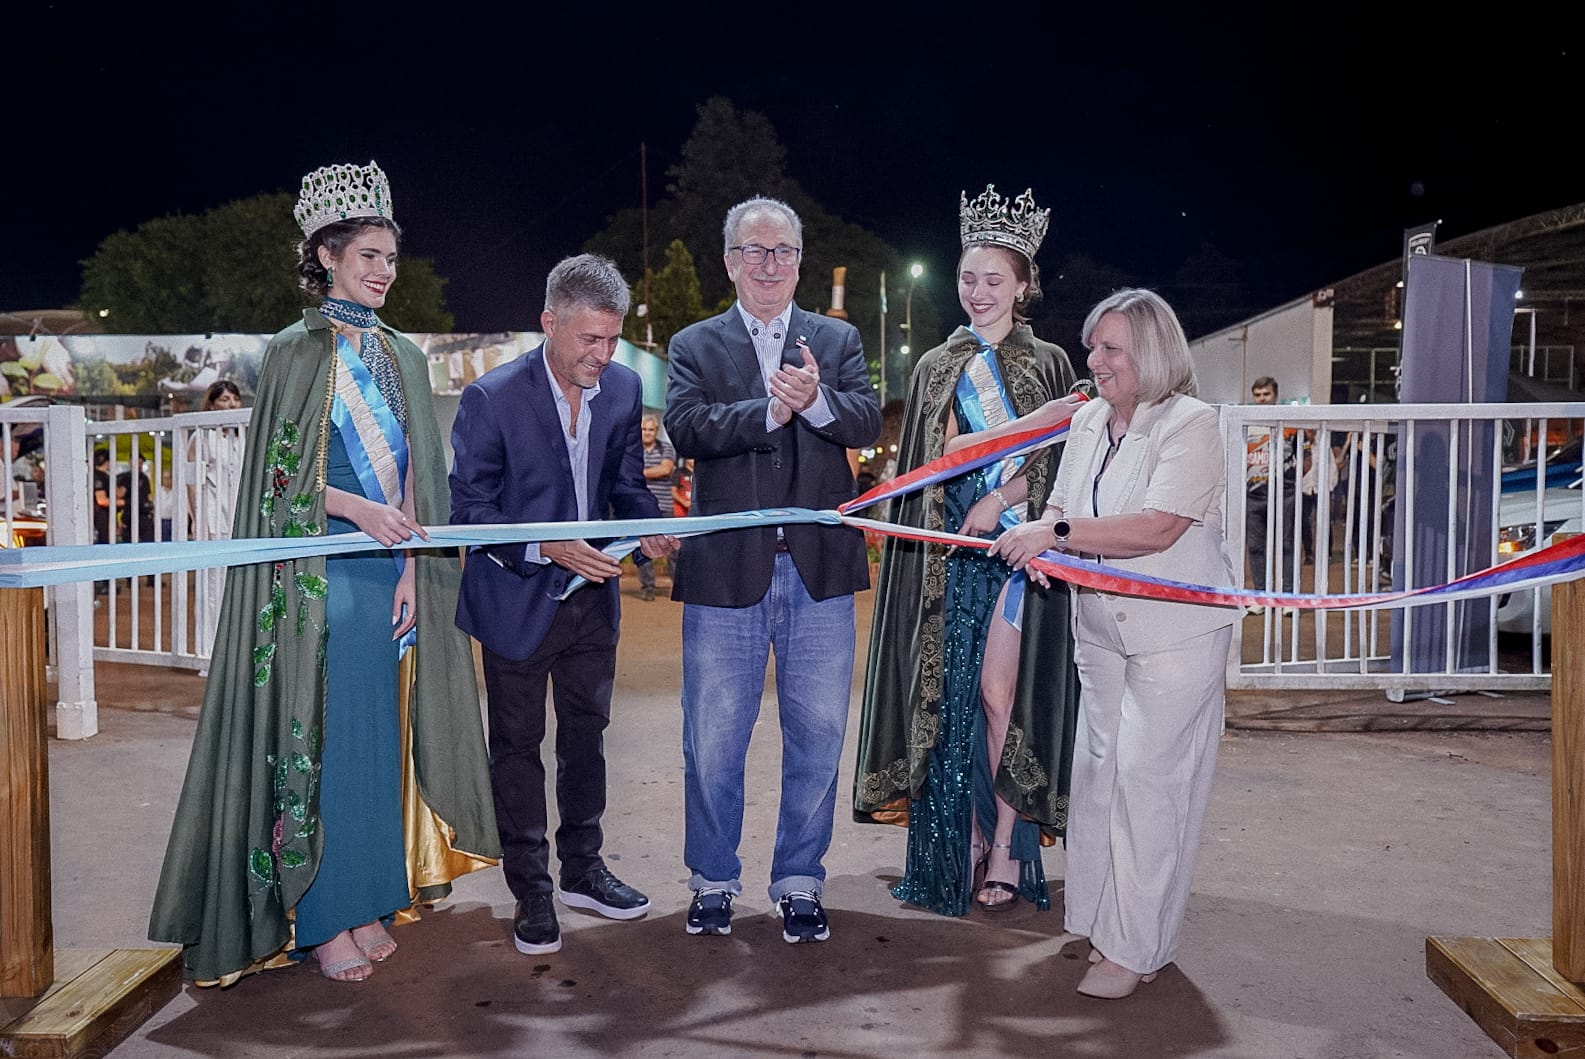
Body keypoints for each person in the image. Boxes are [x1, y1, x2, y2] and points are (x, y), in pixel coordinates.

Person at [150, 160, 498, 985]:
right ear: (327, 256)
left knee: (378, 740)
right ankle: (324, 915)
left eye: (390, 257)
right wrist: (358, 511)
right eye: (367, 255)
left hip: (387, 574)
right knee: (328, 742)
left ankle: (371, 897)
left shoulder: (402, 354)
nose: (383, 271)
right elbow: (276, 480)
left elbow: (417, 471)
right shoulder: (294, 351)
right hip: (319, 573)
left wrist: (412, 564)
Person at [990, 288, 1238, 999]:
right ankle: (1104, 926)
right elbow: (1061, 505)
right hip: (1098, 632)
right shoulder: (1089, 420)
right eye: (1092, 346)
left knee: (1150, 787)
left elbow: (1158, 527)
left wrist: (1054, 534)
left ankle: (1137, 948)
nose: (1093, 360)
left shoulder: (1191, 423)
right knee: (1099, 782)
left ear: (1151, 353)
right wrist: (1045, 543)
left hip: (1174, 635)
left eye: (1110, 348)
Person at [854, 185, 1081, 917]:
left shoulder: (1049, 362)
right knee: (948, 699)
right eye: (967, 277)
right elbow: (940, 454)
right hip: (950, 556)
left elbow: (1061, 462)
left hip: (1015, 551)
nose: (978, 292)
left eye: (993, 280)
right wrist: (1012, 443)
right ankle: (965, 841)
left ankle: (1009, 845)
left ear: (1022, 285)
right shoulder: (936, 364)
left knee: (999, 694)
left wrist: (1003, 495)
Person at [665, 195, 881, 943]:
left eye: (782, 250)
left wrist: (817, 403)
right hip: (724, 574)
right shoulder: (695, 343)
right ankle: (712, 879)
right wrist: (767, 412)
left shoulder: (837, 339)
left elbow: (865, 418)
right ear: (730, 262)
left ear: (799, 261)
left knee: (818, 735)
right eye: (753, 251)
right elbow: (685, 426)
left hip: (818, 572)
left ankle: (799, 879)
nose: (768, 263)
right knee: (713, 738)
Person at [451, 253, 678, 958]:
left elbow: (626, 486)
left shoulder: (623, 389)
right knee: (517, 747)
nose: (602, 355)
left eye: (612, 339)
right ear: (548, 323)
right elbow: (470, 511)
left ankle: (583, 869)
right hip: (515, 598)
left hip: (592, 601)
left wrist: (649, 527)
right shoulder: (490, 398)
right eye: (589, 339)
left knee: (587, 737)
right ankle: (532, 890)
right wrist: (545, 544)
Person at [188, 379, 246, 661]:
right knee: (212, 586)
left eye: (234, 398)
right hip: (213, 517)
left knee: (238, 584)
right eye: (224, 399)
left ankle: (235, 650)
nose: (231, 404)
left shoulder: (243, 436)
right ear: (211, 404)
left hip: (239, 517)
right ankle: (209, 651)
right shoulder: (201, 436)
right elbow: (191, 481)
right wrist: (197, 517)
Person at [1244, 376, 1298, 613]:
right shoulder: (1246, 424)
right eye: (1258, 395)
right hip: (1253, 495)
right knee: (1256, 547)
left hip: (1284, 493)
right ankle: (1261, 596)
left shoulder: (1290, 424)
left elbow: (1304, 457)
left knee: (1286, 544)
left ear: (1275, 395)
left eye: (1266, 394)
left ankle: (1287, 597)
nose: (1262, 399)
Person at [635, 413, 675, 601]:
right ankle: (648, 586)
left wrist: (637, 474)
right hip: (641, 508)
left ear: (656, 431)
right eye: (644, 429)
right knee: (642, 548)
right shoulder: (634, 449)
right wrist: (652, 472)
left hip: (664, 505)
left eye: (651, 429)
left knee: (674, 547)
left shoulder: (666, 447)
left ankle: (678, 584)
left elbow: (665, 469)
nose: (647, 432)